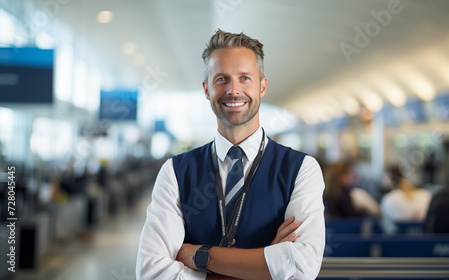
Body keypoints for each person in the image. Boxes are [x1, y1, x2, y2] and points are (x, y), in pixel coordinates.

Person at [136, 30, 325, 280]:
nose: (233, 90)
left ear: (262, 86)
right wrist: (266, 263)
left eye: (245, 78)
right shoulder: (175, 171)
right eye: (221, 79)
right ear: (206, 89)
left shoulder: (301, 169)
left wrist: (202, 257)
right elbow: (151, 272)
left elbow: (302, 269)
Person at [380, 165, 431, 234]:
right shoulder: (426, 195)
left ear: (388, 179)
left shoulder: (389, 199)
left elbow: (388, 229)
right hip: (424, 239)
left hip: (398, 241)